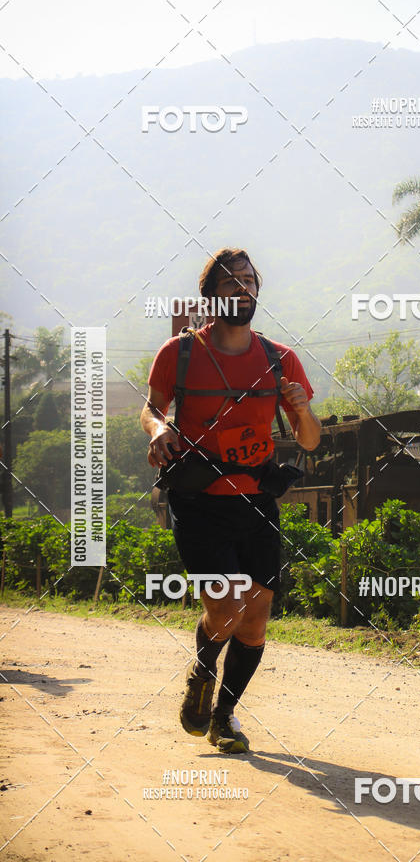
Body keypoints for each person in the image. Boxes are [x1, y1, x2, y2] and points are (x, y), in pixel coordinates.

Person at [140, 248, 321, 753]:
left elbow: (309, 440)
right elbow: (153, 408)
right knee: (225, 606)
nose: (243, 290)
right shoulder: (179, 353)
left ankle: (224, 717)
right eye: (231, 282)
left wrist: (302, 410)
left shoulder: (279, 359)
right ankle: (202, 671)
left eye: (249, 280)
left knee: (257, 616)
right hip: (199, 502)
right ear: (211, 295)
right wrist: (159, 429)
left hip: (258, 501)